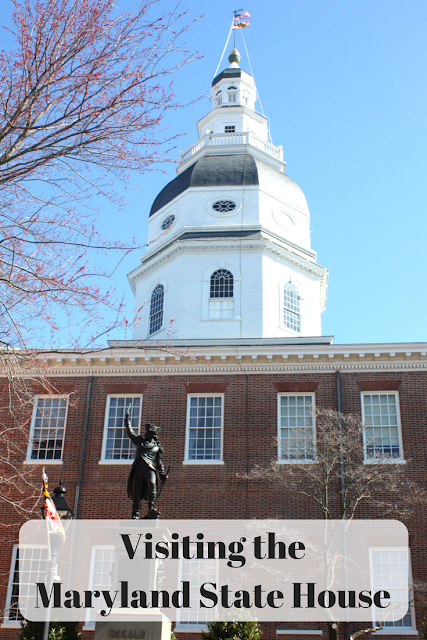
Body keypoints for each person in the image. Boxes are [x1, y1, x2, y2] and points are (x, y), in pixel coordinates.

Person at [124, 411, 167, 519]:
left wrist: (162, 474)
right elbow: (130, 433)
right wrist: (127, 420)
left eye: (147, 432)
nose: (145, 434)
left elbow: (159, 462)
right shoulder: (140, 442)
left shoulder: (157, 448)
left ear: (152, 434)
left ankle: (151, 509)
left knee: (152, 487)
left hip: (150, 470)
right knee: (136, 493)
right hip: (138, 470)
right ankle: (135, 514)